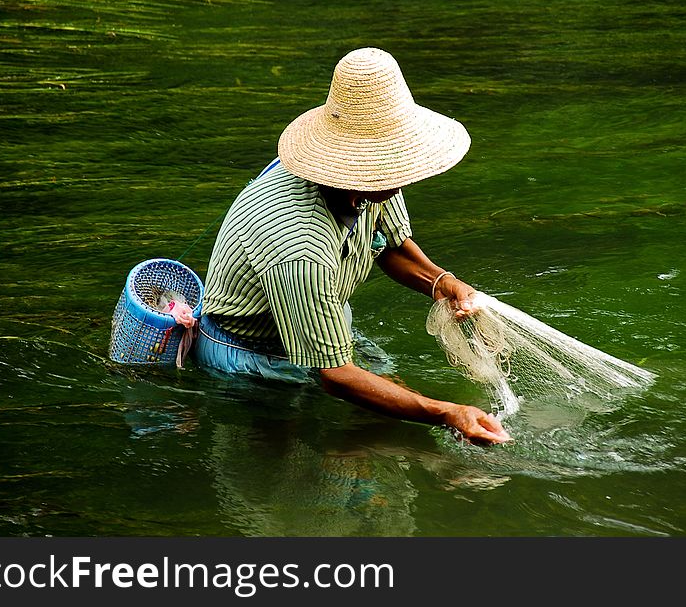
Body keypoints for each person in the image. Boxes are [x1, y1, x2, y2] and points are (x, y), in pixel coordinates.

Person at [195, 47, 510, 445]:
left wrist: (443, 283)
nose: (402, 174)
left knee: (378, 420)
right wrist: (446, 412)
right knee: (295, 452)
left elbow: (390, 246)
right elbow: (336, 376)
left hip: (317, 313)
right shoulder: (300, 247)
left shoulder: (369, 179)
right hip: (251, 356)